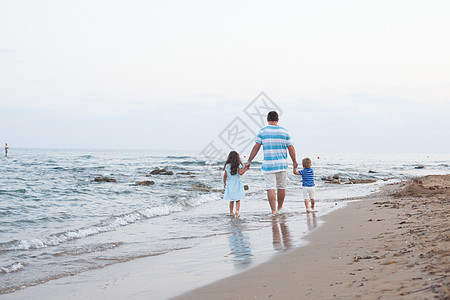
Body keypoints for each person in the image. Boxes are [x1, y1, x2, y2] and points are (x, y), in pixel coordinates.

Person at [245, 111, 297, 214]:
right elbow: (291, 148)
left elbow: (256, 147)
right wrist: (294, 161)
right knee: (281, 187)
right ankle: (280, 208)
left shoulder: (263, 131)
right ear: (278, 119)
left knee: (270, 188)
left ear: (267, 119)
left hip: (268, 165)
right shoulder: (285, 131)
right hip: (282, 164)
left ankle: (273, 211)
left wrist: (249, 161)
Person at [223, 151, 249, 217]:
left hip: (230, 183)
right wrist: (246, 169)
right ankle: (237, 211)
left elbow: (225, 175)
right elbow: (241, 173)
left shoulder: (227, 165)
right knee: (238, 199)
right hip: (237, 183)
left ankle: (231, 212)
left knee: (231, 200)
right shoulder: (238, 165)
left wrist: (224, 183)